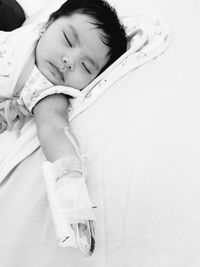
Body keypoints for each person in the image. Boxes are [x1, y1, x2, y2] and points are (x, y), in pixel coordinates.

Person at [0, 0, 127, 257]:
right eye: (68, 40)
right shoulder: (30, 36)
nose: (69, 61)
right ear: (46, 25)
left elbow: (55, 130)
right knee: (10, 12)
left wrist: (73, 197)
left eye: (86, 66)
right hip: (9, 24)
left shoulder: (47, 91)